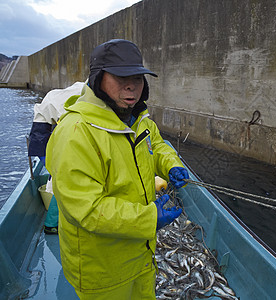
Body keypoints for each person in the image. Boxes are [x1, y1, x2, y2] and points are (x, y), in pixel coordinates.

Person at [46, 39, 189, 299]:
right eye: (121, 76)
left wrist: (173, 165)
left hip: (142, 254)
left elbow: (156, 145)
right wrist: (150, 218)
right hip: (103, 271)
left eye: (138, 77)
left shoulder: (137, 119)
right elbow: (87, 209)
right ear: (98, 78)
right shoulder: (76, 132)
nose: (131, 85)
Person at [28, 82, 84, 234]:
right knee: (62, 181)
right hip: (54, 135)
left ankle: (52, 223)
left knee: (60, 180)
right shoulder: (80, 96)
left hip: (60, 132)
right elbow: (39, 138)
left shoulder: (63, 96)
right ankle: (53, 224)